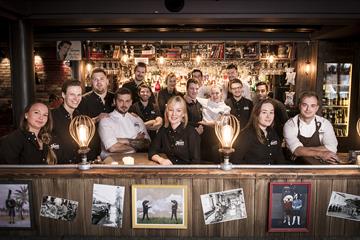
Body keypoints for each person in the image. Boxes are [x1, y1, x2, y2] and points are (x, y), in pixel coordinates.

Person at [283, 91, 338, 164]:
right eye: (305, 105)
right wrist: (321, 153)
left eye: (312, 106)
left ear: (317, 108)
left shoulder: (325, 124)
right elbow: (296, 150)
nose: (308, 109)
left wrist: (303, 150)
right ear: (299, 106)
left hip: (320, 166)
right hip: (297, 167)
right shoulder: (290, 125)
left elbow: (332, 148)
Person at [98, 87, 150, 159]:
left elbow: (147, 143)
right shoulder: (106, 120)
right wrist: (135, 142)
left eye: (127, 101)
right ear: (114, 101)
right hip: (112, 163)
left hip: (135, 160)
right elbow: (113, 148)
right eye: (120, 101)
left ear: (131, 102)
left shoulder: (137, 119)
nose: (124, 105)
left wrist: (120, 140)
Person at [148, 96, 201, 165]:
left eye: (178, 110)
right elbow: (152, 151)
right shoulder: (163, 130)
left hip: (187, 173)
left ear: (183, 114)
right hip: (168, 172)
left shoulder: (191, 133)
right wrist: (161, 160)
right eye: (171, 110)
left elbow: (196, 162)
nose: (174, 114)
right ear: (167, 112)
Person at [77, 68, 115, 160]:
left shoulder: (115, 97)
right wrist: (96, 119)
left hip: (114, 146)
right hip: (93, 148)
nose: (99, 82)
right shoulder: (83, 100)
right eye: (95, 79)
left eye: (102, 79)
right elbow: (79, 124)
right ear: (91, 82)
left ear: (107, 81)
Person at [232, 99, 286, 164]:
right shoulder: (246, 135)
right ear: (256, 114)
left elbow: (280, 160)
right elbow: (236, 161)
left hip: (272, 173)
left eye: (271, 112)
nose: (268, 116)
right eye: (264, 112)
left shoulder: (273, 133)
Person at [197, 85, 231, 163]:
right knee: (203, 160)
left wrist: (207, 123)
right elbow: (192, 97)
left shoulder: (226, 108)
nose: (215, 95)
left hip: (217, 136)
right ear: (210, 94)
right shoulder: (205, 102)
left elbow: (224, 123)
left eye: (217, 93)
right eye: (212, 93)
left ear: (221, 94)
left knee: (215, 159)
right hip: (204, 135)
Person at [51, 80, 82, 164]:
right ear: (63, 95)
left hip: (77, 167)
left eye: (79, 95)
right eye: (72, 94)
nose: (76, 98)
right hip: (58, 169)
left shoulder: (79, 117)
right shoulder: (51, 116)